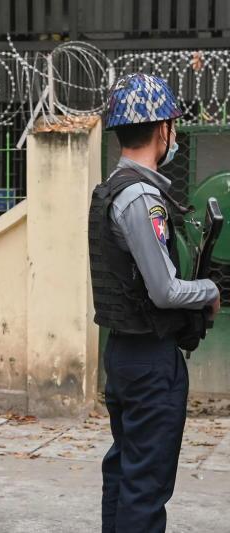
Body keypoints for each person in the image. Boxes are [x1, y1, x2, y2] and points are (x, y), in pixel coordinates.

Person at [89, 73, 221, 532]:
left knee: (125, 475)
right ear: (163, 128)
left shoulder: (112, 188)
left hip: (124, 354)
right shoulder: (142, 197)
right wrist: (210, 291)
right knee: (144, 487)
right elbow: (164, 291)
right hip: (149, 363)